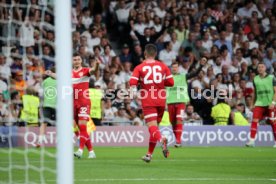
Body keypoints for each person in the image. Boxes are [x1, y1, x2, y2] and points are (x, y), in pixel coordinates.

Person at [46, 53, 100, 158]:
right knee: (79, 129)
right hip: (73, 104)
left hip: (84, 102)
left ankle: (79, 150)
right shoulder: (68, 73)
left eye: (78, 59)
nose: (76, 61)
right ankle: (91, 152)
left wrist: (97, 65)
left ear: (81, 61)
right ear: (72, 61)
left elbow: (93, 70)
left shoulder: (85, 71)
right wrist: (50, 74)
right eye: (74, 59)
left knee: (83, 127)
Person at [129, 44, 174, 163]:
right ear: (155, 54)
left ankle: (162, 139)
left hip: (148, 99)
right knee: (154, 128)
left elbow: (132, 82)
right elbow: (171, 82)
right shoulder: (163, 66)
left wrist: (135, 90)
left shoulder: (139, 67)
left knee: (152, 128)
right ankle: (149, 154)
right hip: (161, 99)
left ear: (145, 53)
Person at [166, 58, 206, 147]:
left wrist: (201, 66)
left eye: (176, 67)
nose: (174, 69)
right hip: (170, 102)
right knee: (173, 122)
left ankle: (178, 141)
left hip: (181, 102)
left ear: (178, 68)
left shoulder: (183, 76)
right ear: (170, 69)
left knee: (179, 119)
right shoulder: (167, 78)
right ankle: (177, 140)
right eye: (173, 68)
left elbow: (195, 73)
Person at [246, 62, 276, 147]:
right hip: (259, 103)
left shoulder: (272, 77)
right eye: (259, 67)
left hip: (270, 103)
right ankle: (251, 141)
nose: (260, 68)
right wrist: (252, 104)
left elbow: (275, 91)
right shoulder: (255, 79)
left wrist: (273, 102)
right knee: (254, 120)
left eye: (262, 67)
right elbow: (254, 93)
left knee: (273, 122)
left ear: (265, 68)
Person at [36, 67, 57, 147]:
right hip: (57, 106)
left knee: (44, 123)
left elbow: (40, 94)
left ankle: (40, 141)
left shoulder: (45, 82)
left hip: (46, 105)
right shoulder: (61, 81)